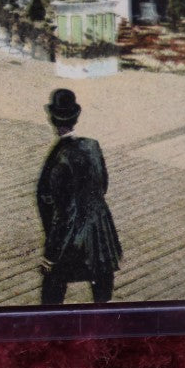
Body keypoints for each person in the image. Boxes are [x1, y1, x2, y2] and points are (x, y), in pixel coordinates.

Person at [36, 88, 122, 305]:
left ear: (52, 120)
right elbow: (103, 186)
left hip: (71, 237)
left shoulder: (59, 159)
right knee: (103, 287)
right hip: (100, 230)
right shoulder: (92, 146)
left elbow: (62, 213)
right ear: (76, 118)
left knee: (52, 288)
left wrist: (51, 254)